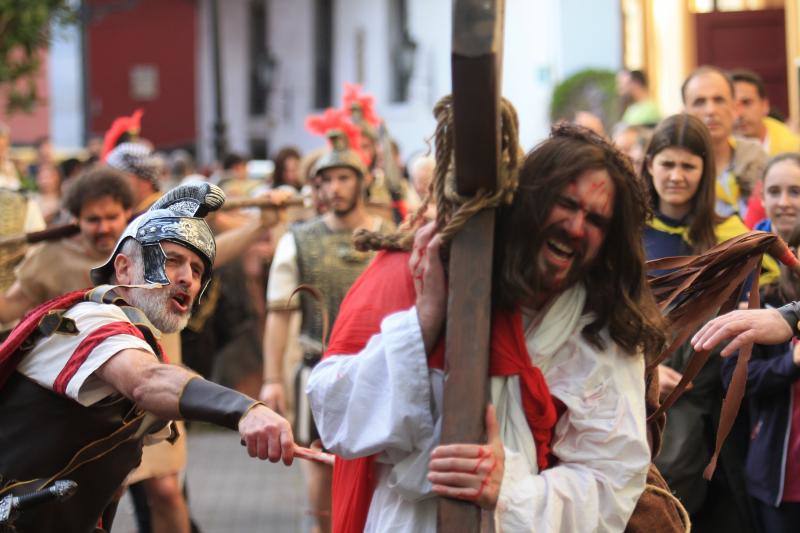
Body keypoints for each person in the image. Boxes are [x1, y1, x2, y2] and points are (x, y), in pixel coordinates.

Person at [307, 121, 666, 532]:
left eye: (596, 220)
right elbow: (333, 412)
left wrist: (507, 490)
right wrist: (423, 323)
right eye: (566, 203)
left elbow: (611, 482)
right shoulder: (421, 269)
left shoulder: (604, 329)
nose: (576, 226)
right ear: (530, 199)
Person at [0, 183, 294, 533]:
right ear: (123, 270)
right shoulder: (88, 320)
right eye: (172, 260)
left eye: (197, 270)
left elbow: (106, 485)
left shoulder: (141, 346)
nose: (187, 278)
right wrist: (245, 409)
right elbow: (148, 381)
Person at [260, 128, 393, 533]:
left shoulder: (390, 235)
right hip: (318, 372)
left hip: (379, 375)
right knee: (320, 487)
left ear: (363, 181)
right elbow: (279, 314)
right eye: (326, 180)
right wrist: (270, 380)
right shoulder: (297, 241)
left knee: (380, 481)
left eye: (343, 178)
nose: (334, 188)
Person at [641, 114, 763, 531]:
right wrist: (650, 370)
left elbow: (769, 304)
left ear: (704, 171)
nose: (676, 176)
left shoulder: (730, 233)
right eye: (667, 164)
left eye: (688, 166)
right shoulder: (627, 230)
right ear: (649, 164)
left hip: (707, 396)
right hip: (638, 393)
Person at [0, 167, 133, 324]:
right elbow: (9, 310)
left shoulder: (143, 255)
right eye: (93, 220)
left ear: (128, 213)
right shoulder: (51, 256)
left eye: (112, 217)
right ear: (76, 219)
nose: (103, 228)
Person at [682, 66, 768, 219]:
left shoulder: (756, 157)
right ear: (684, 112)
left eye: (719, 100)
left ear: (735, 108)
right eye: (699, 102)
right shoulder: (675, 166)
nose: (710, 110)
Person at [731, 69, 800, 157]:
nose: (739, 114)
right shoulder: (715, 150)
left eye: (746, 103)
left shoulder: (794, 148)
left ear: (765, 105)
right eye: (732, 105)